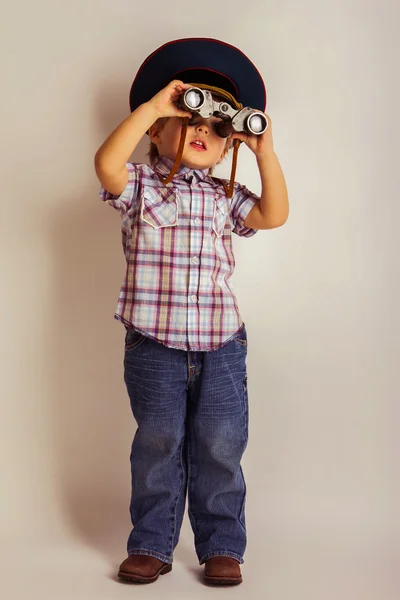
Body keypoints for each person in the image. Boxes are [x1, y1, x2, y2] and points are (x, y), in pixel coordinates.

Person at [94, 38, 289, 586]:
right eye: (188, 117)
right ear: (156, 132)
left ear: (229, 144)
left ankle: (222, 544)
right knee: (157, 443)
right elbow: (106, 164)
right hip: (153, 343)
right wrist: (156, 106)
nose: (202, 130)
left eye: (217, 127)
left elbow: (274, 215)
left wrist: (263, 151)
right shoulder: (141, 186)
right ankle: (152, 544)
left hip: (222, 345)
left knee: (222, 445)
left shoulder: (226, 194)